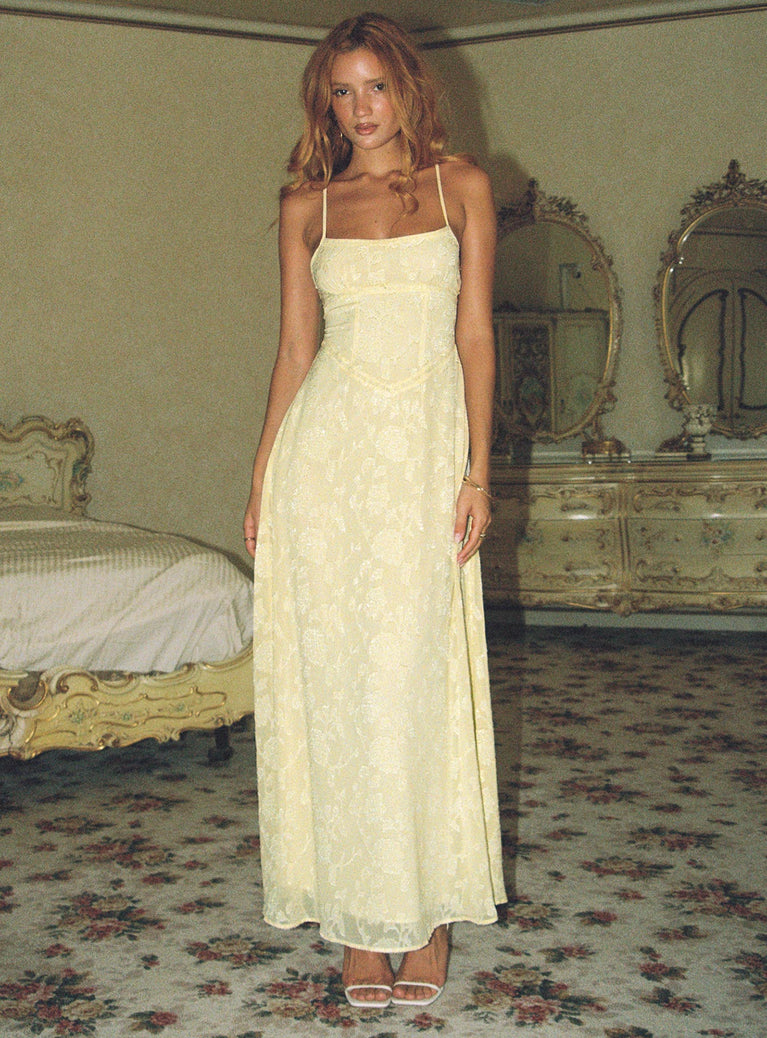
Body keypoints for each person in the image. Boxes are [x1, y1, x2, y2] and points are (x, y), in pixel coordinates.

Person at [243, 11, 506, 1010]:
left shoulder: (461, 186)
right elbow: (293, 350)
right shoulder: (305, 206)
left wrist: (476, 472)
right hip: (327, 464)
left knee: (416, 678)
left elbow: (474, 336)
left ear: (406, 88)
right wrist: (262, 480)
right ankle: (357, 923)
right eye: (340, 92)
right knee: (344, 685)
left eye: (375, 87)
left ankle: (427, 912)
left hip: (425, 462)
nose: (359, 109)